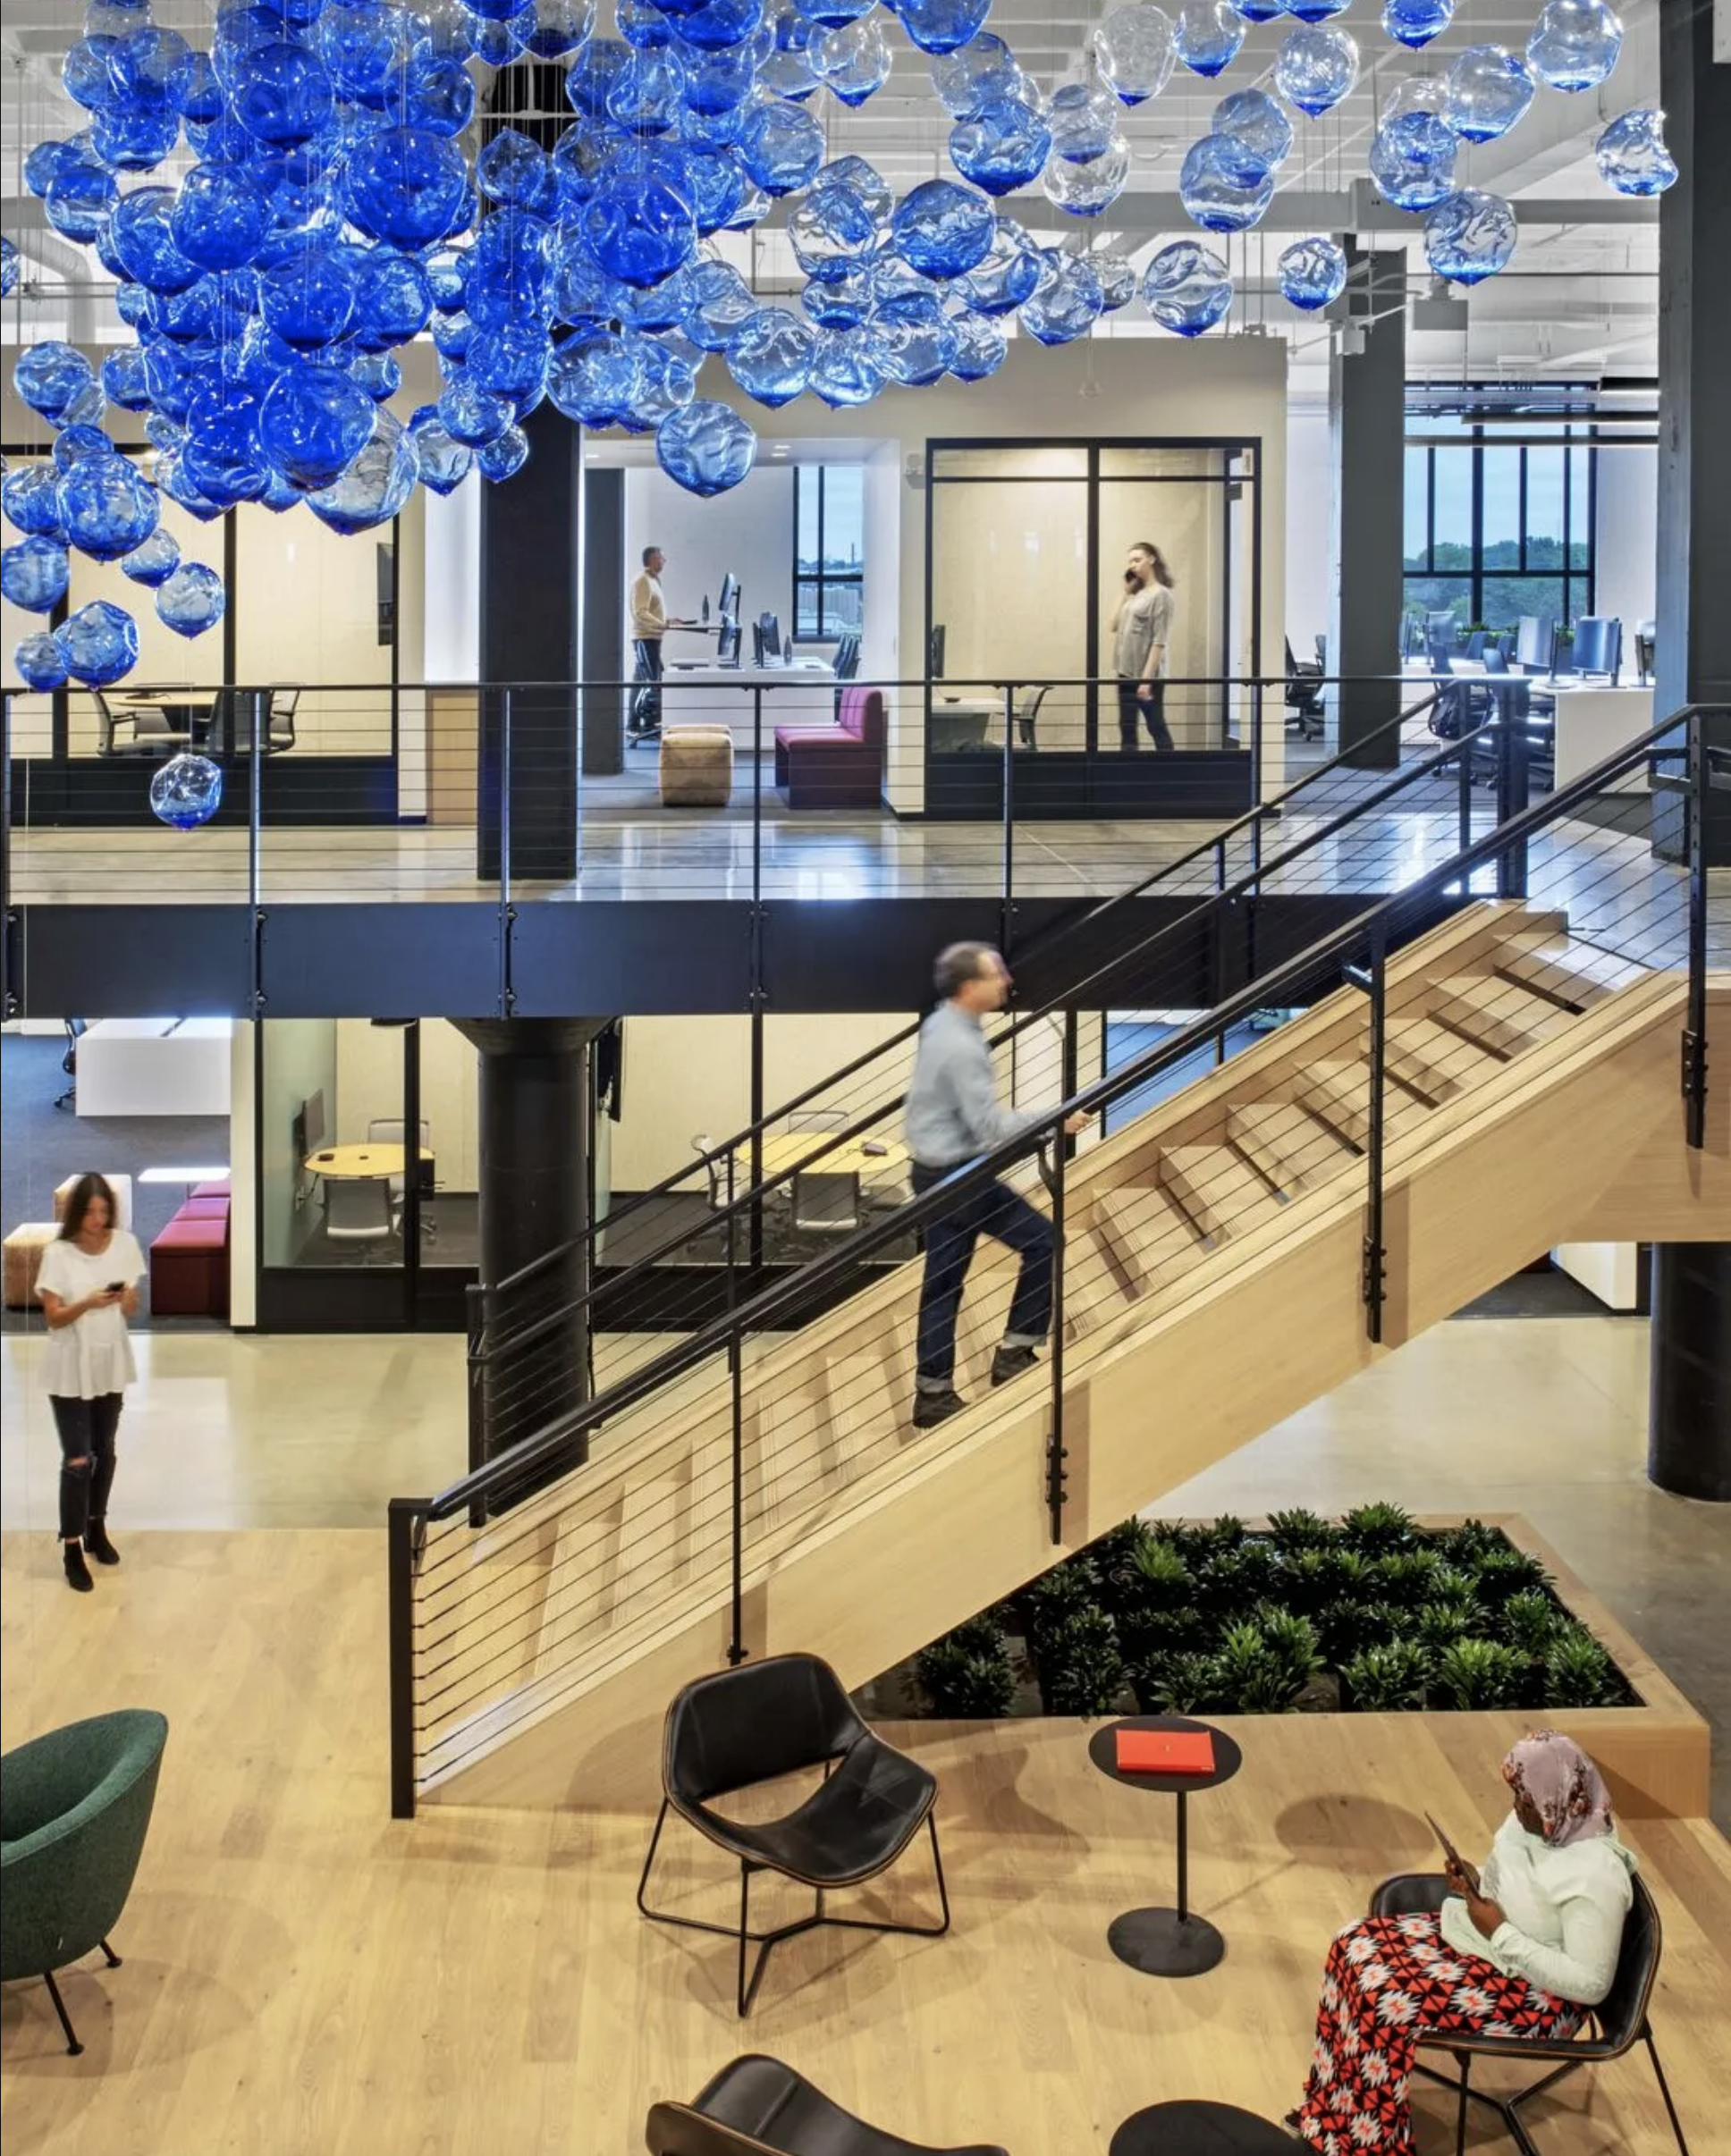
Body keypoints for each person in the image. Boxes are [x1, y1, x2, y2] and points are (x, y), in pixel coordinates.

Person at [1288, 1731, 1635, 2152]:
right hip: (1489, 1946)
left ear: (1557, 1798)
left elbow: (1589, 1983)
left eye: (1526, 1798)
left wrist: (1500, 1932)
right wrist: (1476, 1879)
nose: (1517, 1806)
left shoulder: (1595, 1876)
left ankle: (1370, 2145)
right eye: (1517, 1794)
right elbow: (1520, 1878)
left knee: (1384, 1999)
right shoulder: (1539, 1823)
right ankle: (1332, 2116)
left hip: (1540, 1998)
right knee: (1350, 1944)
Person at [903, 944, 1089, 1430]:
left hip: (932, 1171)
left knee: (943, 1282)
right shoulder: (962, 1045)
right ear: (970, 987)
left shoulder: (942, 1022)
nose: (1007, 980)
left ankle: (933, 1392)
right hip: (960, 1178)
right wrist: (1057, 1119)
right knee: (1045, 1243)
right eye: (996, 974)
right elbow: (988, 1126)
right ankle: (1015, 1350)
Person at [35, 1173, 146, 1595]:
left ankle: (97, 1527)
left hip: (109, 1362)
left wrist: (124, 1299)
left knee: (105, 1451)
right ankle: (71, 1546)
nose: (97, 1220)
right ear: (76, 1212)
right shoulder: (57, 1254)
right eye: (90, 1211)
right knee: (78, 1459)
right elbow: (54, 1317)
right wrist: (87, 1302)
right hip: (69, 1369)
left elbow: (132, 1308)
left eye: (104, 1212)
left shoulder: (124, 1245)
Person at [1111, 541, 1177, 754]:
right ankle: (1129, 776)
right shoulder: (1136, 595)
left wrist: (1146, 681)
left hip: (1147, 677)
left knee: (1155, 725)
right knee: (1127, 727)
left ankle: (1170, 772)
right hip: (1125, 672)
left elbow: (1159, 641)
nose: (1133, 565)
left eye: (1137, 560)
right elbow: (1113, 625)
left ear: (1152, 559)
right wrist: (1125, 592)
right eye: (1130, 561)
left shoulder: (1162, 595)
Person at [628, 544, 696, 739]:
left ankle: (638, 725)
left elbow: (650, 611)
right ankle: (641, 725)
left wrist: (667, 621)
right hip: (645, 638)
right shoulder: (643, 581)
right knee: (656, 683)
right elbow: (640, 612)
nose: (664, 561)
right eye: (661, 558)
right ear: (651, 559)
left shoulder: (652, 580)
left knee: (642, 682)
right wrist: (661, 625)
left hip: (650, 638)